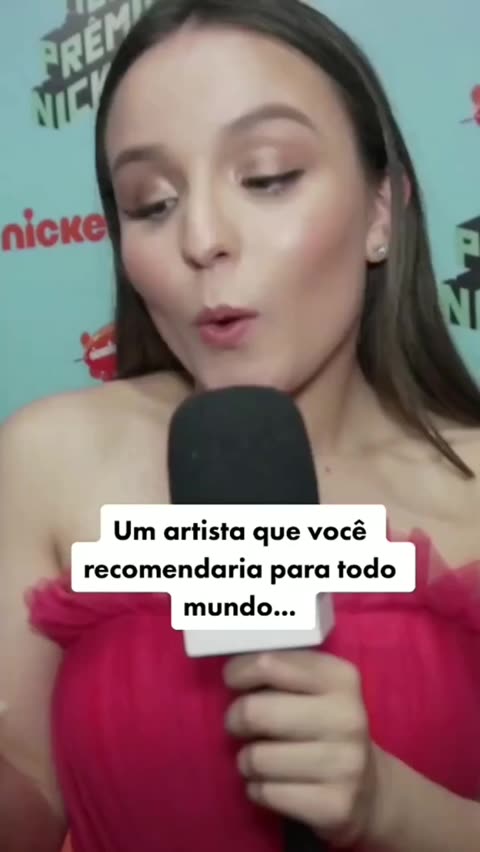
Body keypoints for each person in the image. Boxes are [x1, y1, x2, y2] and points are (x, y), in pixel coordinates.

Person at [1, 1, 479, 850]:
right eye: (151, 203)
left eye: (266, 177)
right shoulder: (52, 459)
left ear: (382, 210)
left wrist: (397, 809)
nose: (203, 239)